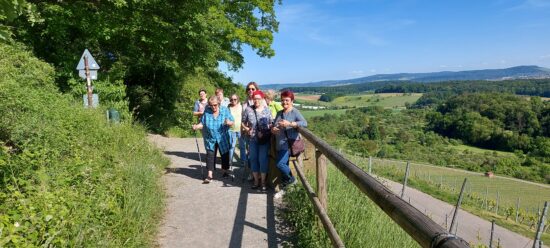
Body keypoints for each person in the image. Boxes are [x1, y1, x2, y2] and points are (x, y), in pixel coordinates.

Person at [192, 96, 234, 183]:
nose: (213, 107)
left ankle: (225, 171)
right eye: (211, 105)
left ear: (218, 104)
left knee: (225, 155)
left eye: (215, 105)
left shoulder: (225, 110)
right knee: (210, 156)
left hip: (223, 138)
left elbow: (232, 121)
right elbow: (202, 123)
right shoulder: (207, 111)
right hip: (210, 138)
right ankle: (209, 175)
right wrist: (196, 126)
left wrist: (228, 123)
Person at [271, 90, 307, 190]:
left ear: (292, 101)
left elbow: (304, 123)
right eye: (282, 100)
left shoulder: (294, 111)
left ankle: (292, 180)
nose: (284, 102)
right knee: (284, 166)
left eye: (287, 100)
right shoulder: (279, 113)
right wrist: (273, 129)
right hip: (279, 143)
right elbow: (274, 126)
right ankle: (288, 188)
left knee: (280, 164)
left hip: (288, 144)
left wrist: (291, 124)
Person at [242, 90, 272, 191]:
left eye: (258, 99)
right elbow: (243, 122)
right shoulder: (248, 110)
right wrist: (247, 129)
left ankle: (263, 182)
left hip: (263, 140)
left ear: (262, 99)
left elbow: (271, 124)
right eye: (255, 99)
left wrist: (264, 131)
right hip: (252, 139)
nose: (256, 100)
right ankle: (256, 181)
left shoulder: (267, 110)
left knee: (263, 160)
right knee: (253, 159)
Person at [228, 94, 242, 166]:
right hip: (231, 130)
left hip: (240, 129)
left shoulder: (241, 106)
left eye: (235, 99)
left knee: (242, 146)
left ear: (237, 99)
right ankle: (230, 162)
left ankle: (243, 162)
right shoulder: (228, 107)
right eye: (231, 99)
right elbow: (226, 118)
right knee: (232, 146)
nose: (233, 101)